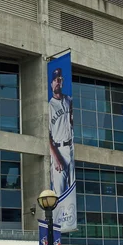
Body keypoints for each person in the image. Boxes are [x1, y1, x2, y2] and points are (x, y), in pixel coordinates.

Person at [48, 67, 75, 197]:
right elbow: (46, 136)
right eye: (55, 80)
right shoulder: (49, 106)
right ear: (51, 84)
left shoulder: (69, 100)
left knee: (72, 190)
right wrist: (56, 157)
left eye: (59, 79)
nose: (57, 82)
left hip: (71, 147)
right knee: (59, 193)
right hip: (59, 150)